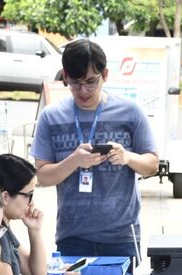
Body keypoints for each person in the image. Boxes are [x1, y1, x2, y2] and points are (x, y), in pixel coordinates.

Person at [31, 39, 159, 263]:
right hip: (72, 236)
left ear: (105, 75)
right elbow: (42, 175)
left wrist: (128, 157)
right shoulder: (51, 117)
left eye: (91, 82)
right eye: (75, 83)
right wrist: (73, 161)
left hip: (121, 236)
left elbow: (152, 164)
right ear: (65, 77)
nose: (83, 91)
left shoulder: (130, 112)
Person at [0, 154, 79, 275]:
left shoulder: (4, 228)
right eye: (28, 195)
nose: (31, 202)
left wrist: (34, 230)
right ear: (5, 196)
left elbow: (37, 274)